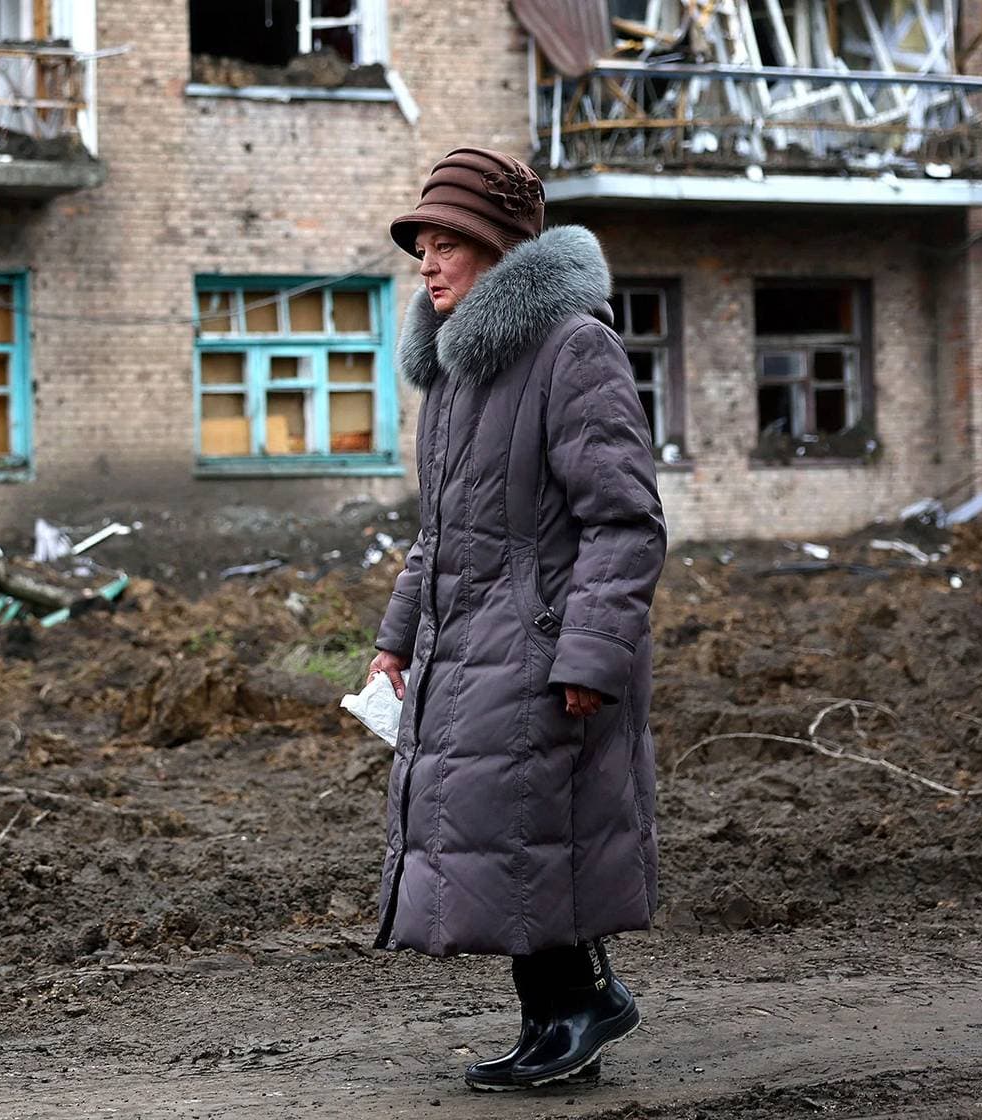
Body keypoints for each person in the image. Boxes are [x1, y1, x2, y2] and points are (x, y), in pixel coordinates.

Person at [365, 148, 667, 1092]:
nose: (428, 261)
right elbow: (438, 532)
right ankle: (564, 1010)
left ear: (500, 250)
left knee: (534, 824)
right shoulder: (458, 374)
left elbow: (625, 521)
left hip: (543, 643)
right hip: (470, 640)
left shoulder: (574, 348)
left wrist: (589, 654)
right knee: (505, 830)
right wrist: (394, 636)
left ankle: (575, 1006)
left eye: (448, 241)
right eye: (422, 243)